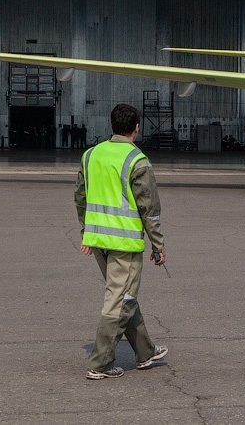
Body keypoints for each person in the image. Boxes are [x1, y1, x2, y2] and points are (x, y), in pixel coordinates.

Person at [75, 103, 168, 380]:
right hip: (124, 243)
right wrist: (159, 246)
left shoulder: (90, 155)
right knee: (121, 298)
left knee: (123, 294)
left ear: (112, 125)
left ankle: (145, 351)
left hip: (98, 241)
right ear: (136, 128)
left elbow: (81, 197)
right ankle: (101, 363)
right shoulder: (136, 160)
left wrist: (86, 232)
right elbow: (148, 209)